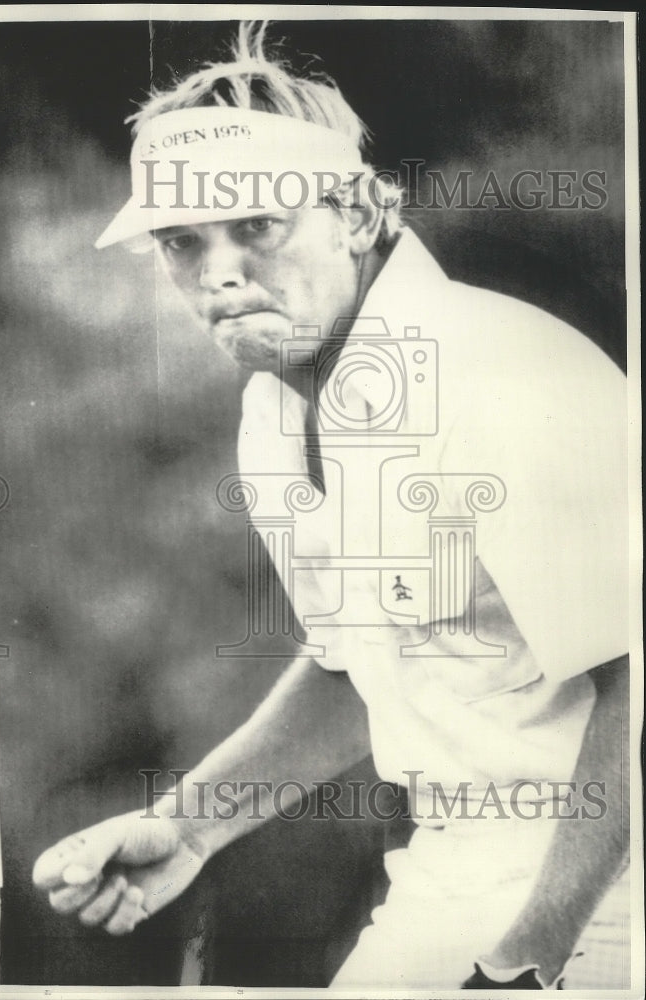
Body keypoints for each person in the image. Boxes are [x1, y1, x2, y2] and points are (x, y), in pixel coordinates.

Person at [32, 23, 630, 989]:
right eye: (181, 242)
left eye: (258, 226)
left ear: (353, 211)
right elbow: (357, 662)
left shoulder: (507, 375)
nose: (218, 273)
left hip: (604, 894)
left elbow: (638, 684)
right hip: (446, 873)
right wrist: (185, 824)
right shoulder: (272, 410)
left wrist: (530, 957)